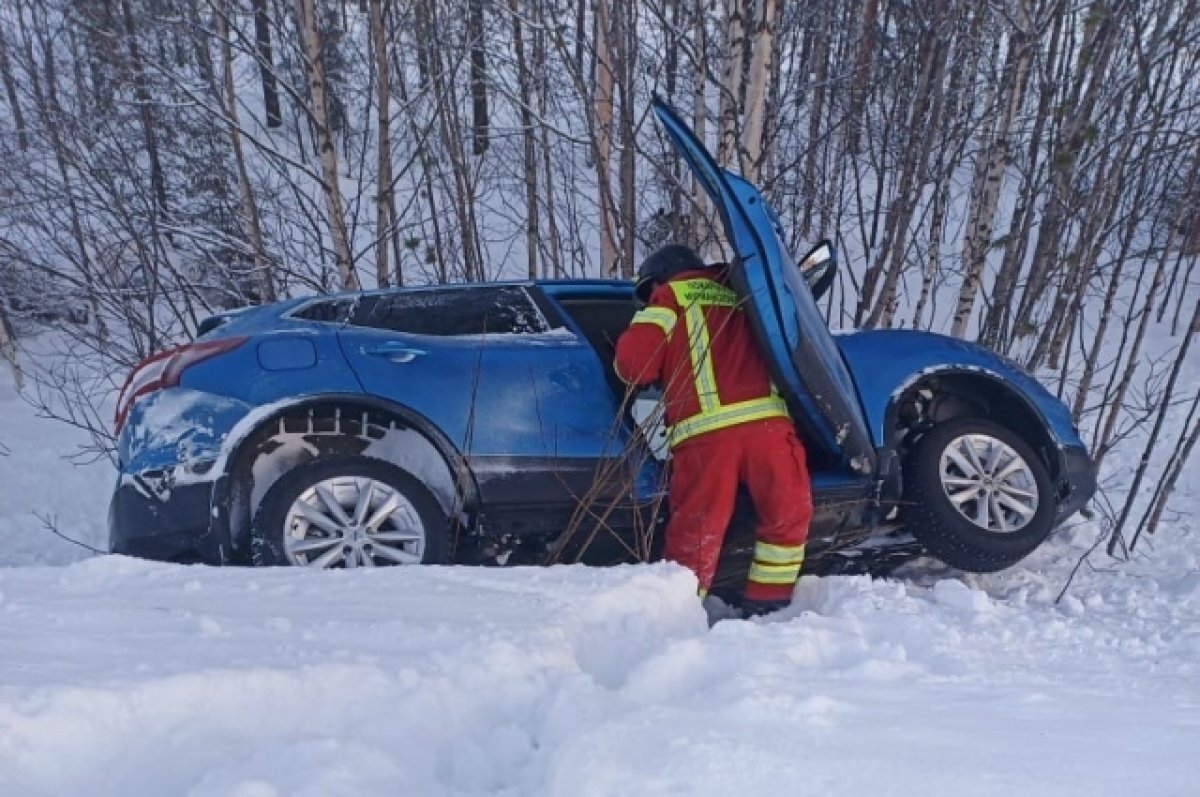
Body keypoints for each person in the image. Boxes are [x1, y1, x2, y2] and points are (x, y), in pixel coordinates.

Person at [614, 244, 813, 617]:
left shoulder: (669, 297)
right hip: (768, 430)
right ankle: (768, 604)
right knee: (787, 518)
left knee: (696, 534)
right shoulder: (746, 292)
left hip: (706, 439)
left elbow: (634, 368)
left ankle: (682, 612)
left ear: (658, 279)